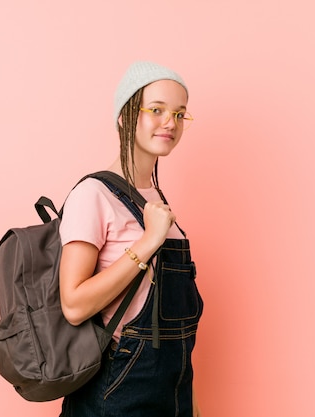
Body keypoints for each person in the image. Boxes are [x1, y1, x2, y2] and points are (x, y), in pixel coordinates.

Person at [58, 61, 204, 417]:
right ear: (125, 116)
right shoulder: (93, 194)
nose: (170, 122)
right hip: (120, 392)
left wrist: (191, 405)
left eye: (180, 113)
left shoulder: (156, 197)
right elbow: (74, 305)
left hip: (173, 389)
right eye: (156, 110)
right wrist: (147, 242)